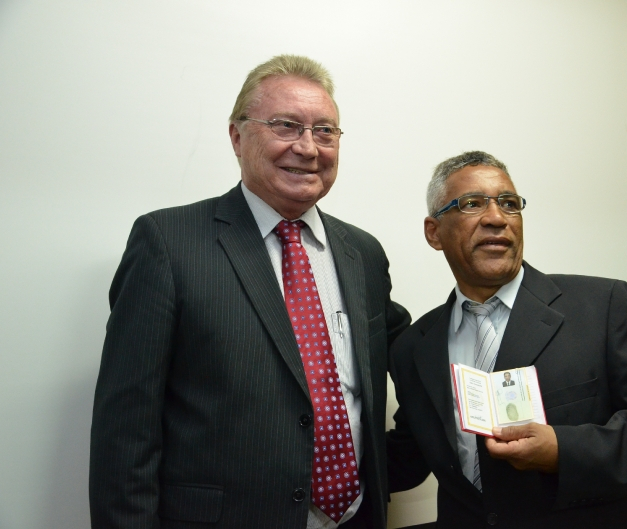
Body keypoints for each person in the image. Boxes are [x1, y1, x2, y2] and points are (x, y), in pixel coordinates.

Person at [89, 55, 410, 529]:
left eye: (325, 131)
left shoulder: (362, 252)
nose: (308, 147)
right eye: (286, 126)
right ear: (237, 136)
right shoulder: (169, 244)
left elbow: (406, 359)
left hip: (356, 517)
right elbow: (125, 433)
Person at [386, 151, 627, 528]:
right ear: (434, 232)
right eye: (472, 204)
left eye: (509, 203)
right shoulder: (415, 346)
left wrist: (561, 450)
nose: (496, 218)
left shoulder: (600, 307)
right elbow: (408, 457)